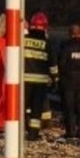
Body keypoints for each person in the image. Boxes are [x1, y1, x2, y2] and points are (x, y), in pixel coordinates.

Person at [23, 12, 57, 141]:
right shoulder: (46, 43)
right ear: (45, 27)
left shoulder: (23, 40)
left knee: (22, 107)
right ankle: (33, 134)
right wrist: (55, 79)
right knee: (36, 110)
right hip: (40, 82)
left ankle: (19, 131)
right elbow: (52, 64)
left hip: (24, 80)